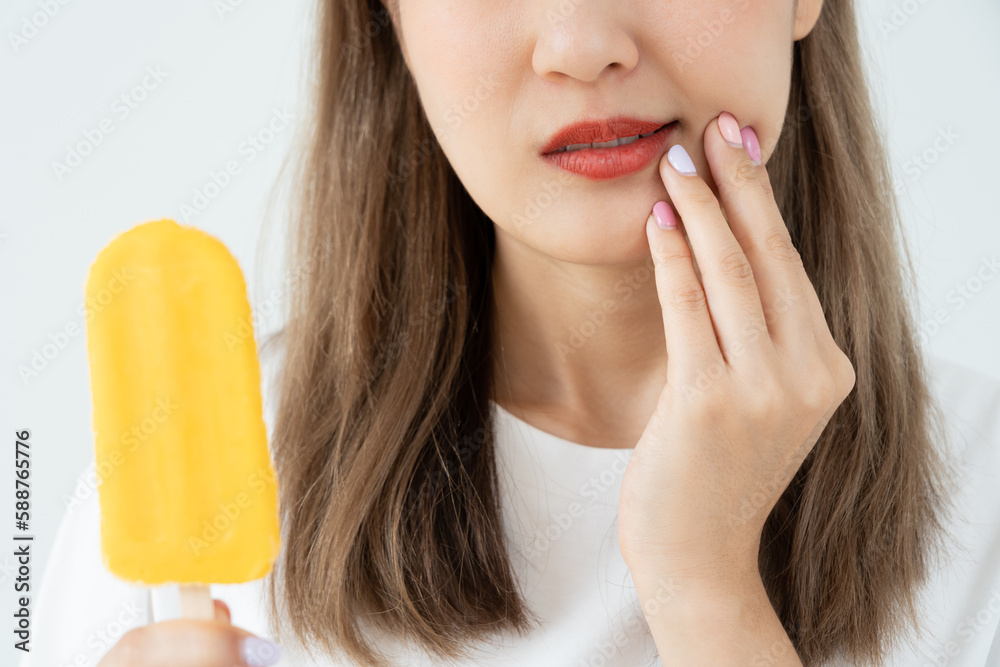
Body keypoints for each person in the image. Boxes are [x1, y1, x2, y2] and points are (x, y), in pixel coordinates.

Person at [27, 0, 1000, 665]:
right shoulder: (182, 510)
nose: (579, 41)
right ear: (388, 16)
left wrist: (706, 587)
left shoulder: (984, 486)